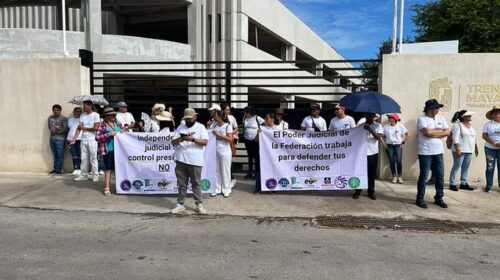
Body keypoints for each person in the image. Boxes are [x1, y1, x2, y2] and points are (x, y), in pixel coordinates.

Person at [170, 108, 209, 215]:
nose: (188, 120)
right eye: (186, 119)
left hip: (195, 160)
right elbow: (173, 142)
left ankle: (199, 205)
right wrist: (181, 139)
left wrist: (192, 139)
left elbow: (205, 142)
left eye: (190, 118)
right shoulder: (180, 127)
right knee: (182, 184)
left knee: (196, 183)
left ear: (195, 117)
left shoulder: (200, 127)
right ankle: (180, 205)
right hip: (181, 159)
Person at [416, 99, 450, 209]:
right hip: (425, 152)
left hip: (438, 151)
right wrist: (440, 133)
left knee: (440, 176)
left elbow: (448, 132)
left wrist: (433, 133)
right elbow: (426, 133)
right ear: (429, 109)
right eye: (436, 107)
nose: (438, 109)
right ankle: (420, 199)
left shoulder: (440, 118)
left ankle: (439, 198)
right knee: (424, 176)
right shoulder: (422, 119)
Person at [353, 113, 386, 200]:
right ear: (366, 116)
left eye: (371, 116)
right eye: (368, 115)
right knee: (360, 173)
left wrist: (370, 130)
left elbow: (378, 137)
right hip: (361, 153)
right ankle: (358, 191)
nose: (369, 117)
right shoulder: (361, 125)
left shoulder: (378, 125)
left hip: (372, 153)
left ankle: (371, 191)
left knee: (371, 174)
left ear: (374, 116)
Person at [96, 107, 123, 195]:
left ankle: (118, 186)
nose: (113, 116)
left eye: (114, 115)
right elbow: (97, 137)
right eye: (112, 115)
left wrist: (126, 129)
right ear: (107, 116)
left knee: (118, 168)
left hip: (119, 149)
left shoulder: (117, 123)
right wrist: (108, 134)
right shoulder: (102, 125)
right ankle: (107, 187)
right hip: (108, 149)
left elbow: (122, 131)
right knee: (108, 168)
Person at [71, 100, 100, 183]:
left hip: (92, 139)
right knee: (84, 158)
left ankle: (95, 175)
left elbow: (96, 128)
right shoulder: (82, 115)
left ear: (90, 106)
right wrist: (74, 138)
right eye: (83, 106)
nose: (83, 108)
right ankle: (84, 174)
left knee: (93, 158)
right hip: (83, 139)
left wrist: (84, 128)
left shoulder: (96, 115)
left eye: (85, 106)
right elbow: (79, 128)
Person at [448, 110, 478, 191]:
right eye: (468, 116)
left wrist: (475, 147)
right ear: (463, 117)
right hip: (460, 150)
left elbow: (473, 138)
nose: (470, 117)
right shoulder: (457, 125)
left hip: (469, 150)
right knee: (456, 166)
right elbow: (455, 138)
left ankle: (463, 183)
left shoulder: (470, 126)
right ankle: (452, 183)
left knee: (465, 167)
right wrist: (458, 149)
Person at [254, 112, 282, 194]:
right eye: (265, 118)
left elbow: (281, 141)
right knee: (260, 170)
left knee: (273, 170)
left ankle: (272, 187)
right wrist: (258, 133)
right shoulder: (262, 128)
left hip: (274, 154)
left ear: (272, 119)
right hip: (264, 154)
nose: (265, 120)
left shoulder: (278, 129)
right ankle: (258, 188)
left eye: (267, 118)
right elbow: (256, 140)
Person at [211, 110, 233, 198]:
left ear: (220, 117)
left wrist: (219, 135)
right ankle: (216, 189)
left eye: (215, 116)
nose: (214, 117)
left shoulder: (228, 126)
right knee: (216, 170)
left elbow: (230, 139)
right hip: (215, 150)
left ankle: (226, 189)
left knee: (225, 170)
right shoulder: (214, 125)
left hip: (225, 151)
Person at [382, 113, 409, 184]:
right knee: (392, 161)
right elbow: (381, 136)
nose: (389, 119)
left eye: (390, 117)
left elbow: (408, 134)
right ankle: (394, 176)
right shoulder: (385, 127)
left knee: (398, 161)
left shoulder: (400, 126)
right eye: (388, 117)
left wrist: (403, 142)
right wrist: (384, 143)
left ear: (395, 119)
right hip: (389, 145)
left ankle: (400, 177)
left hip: (398, 145)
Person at [242, 106, 264, 179]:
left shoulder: (257, 118)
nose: (245, 114)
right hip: (247, 139)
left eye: (247, 112)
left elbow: (265, 124)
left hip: (255, 140)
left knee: (256, 156)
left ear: (251, 113)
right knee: (250, 156)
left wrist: (260, 131)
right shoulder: (244, 118)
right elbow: (243, 125)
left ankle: (256, 172)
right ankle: (250, 172)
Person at [482, 106, 500, 193]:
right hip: (490, 148)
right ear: (492, 115)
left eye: (499, 112)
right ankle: (489, 185)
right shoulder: (488, 124)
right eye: (495, 113)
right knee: (490, 167)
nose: (497, 114)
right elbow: (484, 136)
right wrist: (494, 143)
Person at [221, 103, 239, 188]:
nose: (228, 111)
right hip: (221, 143)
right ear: (222, 110)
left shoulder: (232, 118)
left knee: (229, 161)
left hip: (230, 141)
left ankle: (231, 179)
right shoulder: (218, 118)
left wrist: (232, 133)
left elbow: (236, 127)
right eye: (227, 109)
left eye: (229, 109)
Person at [48, 104, 68, 175]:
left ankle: (58, 170)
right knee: (55, 155)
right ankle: (55, 168)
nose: (55, 111)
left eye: (57, 110)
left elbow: (65, 128)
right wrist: (53, 131)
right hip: (52, 139)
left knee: (60, 155)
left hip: (60, 140)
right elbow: (50, 127)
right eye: (54, 110)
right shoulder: (50, 118)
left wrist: (56, 131)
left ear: (60, 110)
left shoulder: (64, 119)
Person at [67, 107, 82, 176]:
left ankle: (79, 169)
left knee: (80, 155)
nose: (77, 113)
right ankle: (75, 168)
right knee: (74, 155)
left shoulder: (82, 119)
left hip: (80, 138)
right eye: (76, 111)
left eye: (79, 111)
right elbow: (69, 128)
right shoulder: (70, 120)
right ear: (74, 112)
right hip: (70, 139)